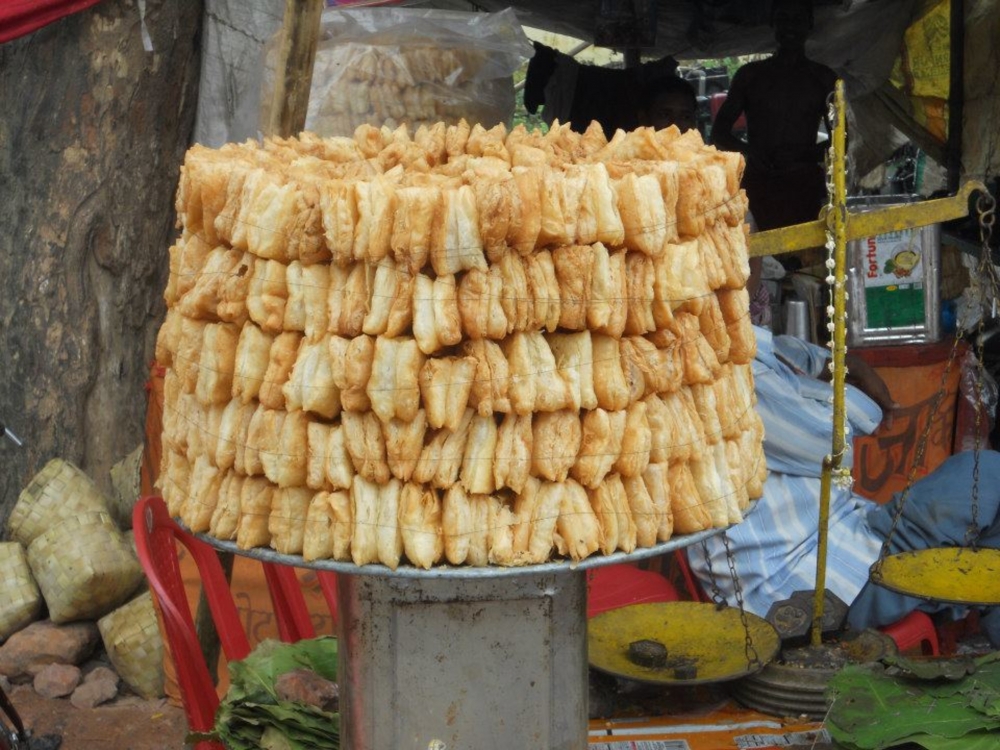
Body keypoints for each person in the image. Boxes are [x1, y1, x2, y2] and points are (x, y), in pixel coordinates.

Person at [687, 320, 1000, 646]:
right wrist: (844, 392)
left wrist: (848, 365)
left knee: (982, 511)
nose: (753, 271)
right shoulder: (724, 373)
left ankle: (957, 619)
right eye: (752, 266)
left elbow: (793, 354)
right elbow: (835, 439)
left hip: (846, 540)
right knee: (986, 473)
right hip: (818, 584)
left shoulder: (740, 344)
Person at [710, 0, 836, 235]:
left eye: (798, 19)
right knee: (756, 254)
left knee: (804, 258)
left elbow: (842, 142)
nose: (790, 26)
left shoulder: (823, 79)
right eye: (783, 18)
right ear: (772, 23)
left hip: (803, 182)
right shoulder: (750, 75)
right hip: (758, 181)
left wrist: (802, 154)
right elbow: (719, 133)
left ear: (809, 24)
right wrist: (751, 151)